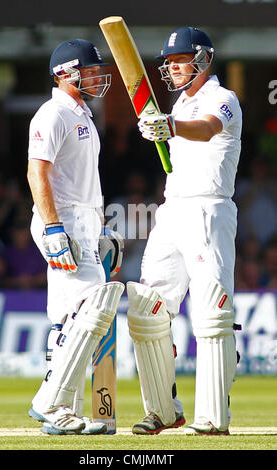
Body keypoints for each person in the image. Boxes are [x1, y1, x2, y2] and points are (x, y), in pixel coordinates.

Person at [127, 26, 242, 435]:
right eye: (170, 63)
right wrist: (164, 125)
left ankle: (212, 419)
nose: (173, 69)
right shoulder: (176, 105)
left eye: (181, 61)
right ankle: (162, 409)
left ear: (203, 60)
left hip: (209, 209)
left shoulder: (223, 99)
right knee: (147, 309)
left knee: (211, 313)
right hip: (172, 209)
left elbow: (209, 128)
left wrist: (170, 128)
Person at [26, 38, 124, 435]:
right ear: (65, 72)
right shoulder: (52, 114)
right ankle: (51, 403)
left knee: (69, 318)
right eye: (90, 70)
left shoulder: (82, 113)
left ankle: (63, 410)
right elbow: (38, 172)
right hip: (60, 221)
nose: (98, 76)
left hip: (81, 223)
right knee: (94, 308)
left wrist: (98, 229)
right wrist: (53, 228)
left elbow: (83, 182)